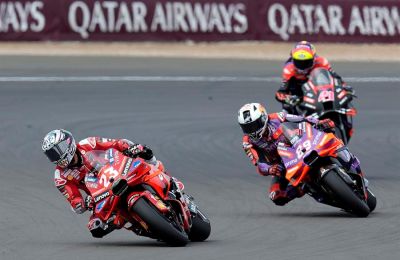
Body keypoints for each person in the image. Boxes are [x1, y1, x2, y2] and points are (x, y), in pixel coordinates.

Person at [42, 129, 165, 238]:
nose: (56, 156)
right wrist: (84, 203)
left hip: (119, 171)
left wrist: (130, 148)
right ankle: (138, 224)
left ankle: (169, 184)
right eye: (52, 154)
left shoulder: (88, 143)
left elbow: (115, 143)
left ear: (68, 143)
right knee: (95, 227)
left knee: (151, 161)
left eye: (58, 150)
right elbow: (74, 200)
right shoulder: (60, 176)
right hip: (102, 196)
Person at [237, 103, 364, 206]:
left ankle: (349, 161)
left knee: (329, 138)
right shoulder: (247, 142)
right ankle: (305, 187)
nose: (252, 130)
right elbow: (259, 164)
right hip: (282, 166)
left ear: (263, 118)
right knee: (277, 196)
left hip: (299, 145)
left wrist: (318, 122)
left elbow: (302, 119)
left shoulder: (278, 117)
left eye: (254, 125)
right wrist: (270, 169)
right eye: (247, 127)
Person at [275, 41, 349, 114]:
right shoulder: (289, 69)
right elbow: (281, 92)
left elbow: (336, 78)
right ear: (293, 60)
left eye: (306, 62)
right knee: (286, 109)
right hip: (300, 97)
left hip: (321, 94)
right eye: (299, 62)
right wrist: (289, 99)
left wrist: (344, 87)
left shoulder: (322, 62)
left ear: (314, 58)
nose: (302, 66)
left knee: (344, 100)